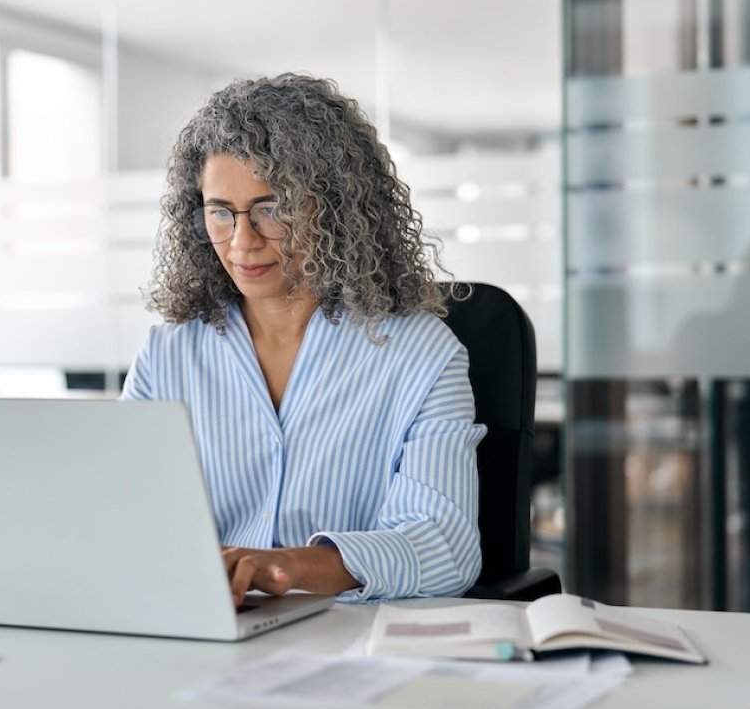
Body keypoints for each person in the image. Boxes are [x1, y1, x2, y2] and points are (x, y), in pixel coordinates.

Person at [120, 73, 486, 605]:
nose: (243, 241)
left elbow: (444, 550)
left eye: (273, 209)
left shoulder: (422, 356)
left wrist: (285, 567)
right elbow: (120, 517)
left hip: (352, 645)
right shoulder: (167, 355)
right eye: (221, 212)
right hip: (202, 634)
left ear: (335, 209)